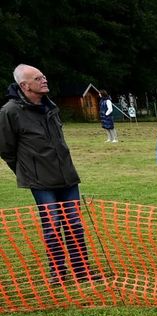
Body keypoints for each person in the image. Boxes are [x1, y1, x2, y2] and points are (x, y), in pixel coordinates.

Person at [0, 64, 101, 284]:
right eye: (38, 78)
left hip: (67, 176)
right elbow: (6, 149)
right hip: (41, 181)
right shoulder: (10, 111)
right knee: (53, 224)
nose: (44, 80)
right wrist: (28, 170)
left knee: (74, 223)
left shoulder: (50, 105)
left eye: (43, 76)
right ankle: (58, 272)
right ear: (25, 85)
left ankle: (81, 269)